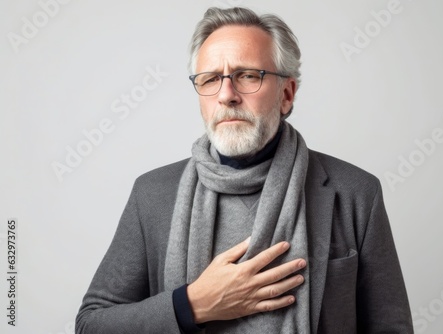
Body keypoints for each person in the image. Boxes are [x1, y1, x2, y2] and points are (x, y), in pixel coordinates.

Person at [76, 7, 413, 334]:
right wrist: (192, 305)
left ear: (287, 93)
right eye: (210, 79)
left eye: (248, 75)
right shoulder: (152, 194)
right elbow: (91, 324)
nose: (226, 95)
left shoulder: (355, 192)